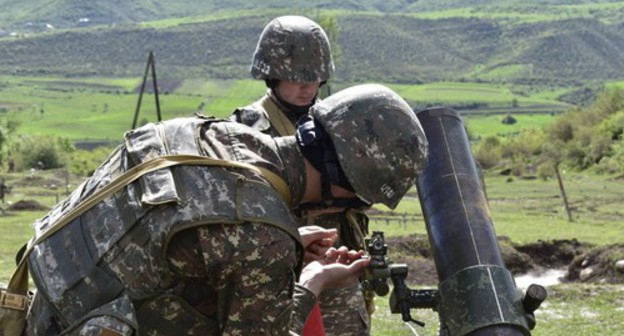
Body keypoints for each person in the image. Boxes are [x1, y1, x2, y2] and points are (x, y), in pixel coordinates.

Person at [21, 83, 428, 336]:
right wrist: (312, 282)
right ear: (345, 188)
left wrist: (289, 246)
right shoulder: (262, 241)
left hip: (48, 306)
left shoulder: (206, 135)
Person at [230, 15, 374, 335]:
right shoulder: (245, 130)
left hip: (340, 268)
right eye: (295, 77)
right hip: (280, 275)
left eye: (314, 77)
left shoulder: (340, 123)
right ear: (272, 76)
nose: (307, 86)